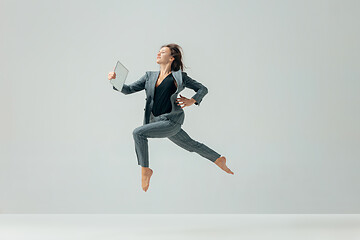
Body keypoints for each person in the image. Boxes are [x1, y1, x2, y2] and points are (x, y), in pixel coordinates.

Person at [108, 43, 234, 192]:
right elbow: (128, 89)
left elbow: (202, 89)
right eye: (158, 51)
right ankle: (218, 159)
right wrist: (115, 81)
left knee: (138, 133)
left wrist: (192, 100)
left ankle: (145, 170)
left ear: (171, 58)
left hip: (171, 121)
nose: (158, 54)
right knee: (191, 144)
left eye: (163, 52)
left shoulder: (180, 77)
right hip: (157, 121)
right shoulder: (149, 76)